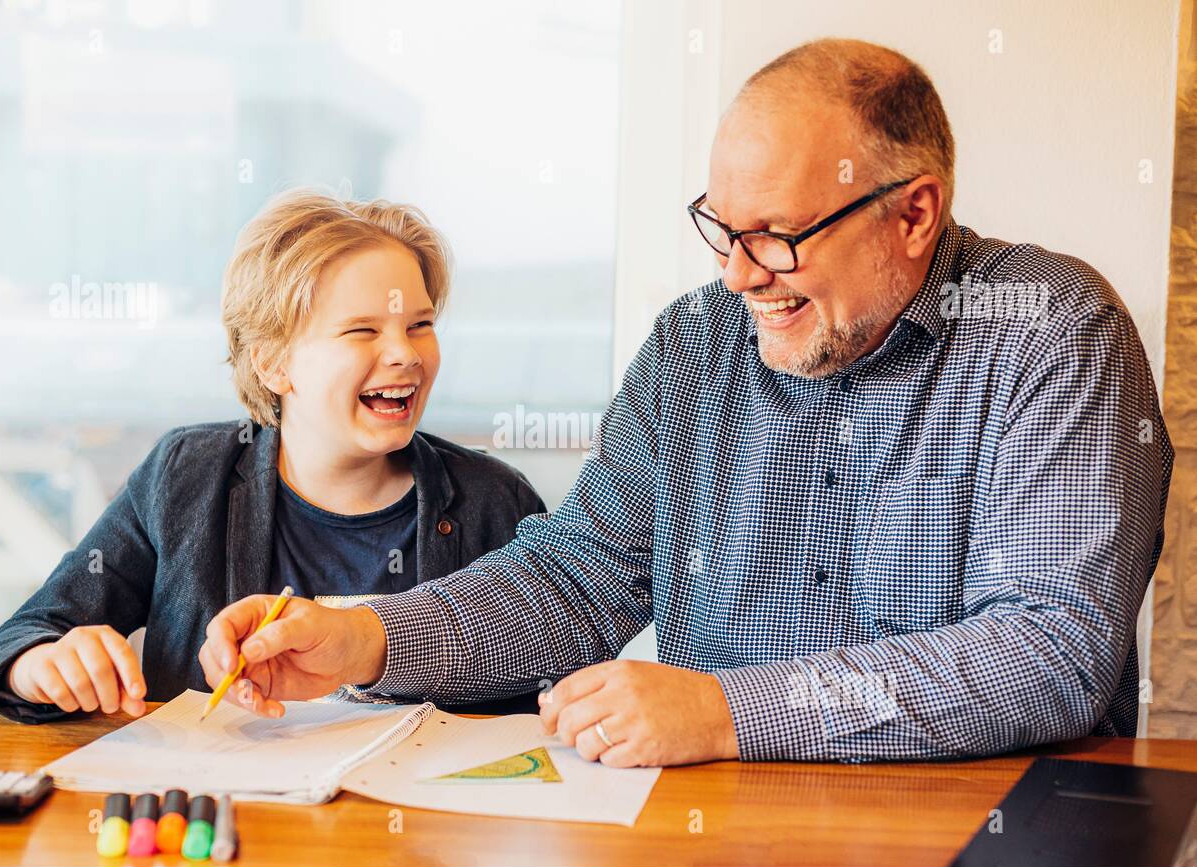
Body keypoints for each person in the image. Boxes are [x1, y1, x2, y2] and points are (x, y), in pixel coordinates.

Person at [201, 39, 1172, 766]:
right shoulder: (693, 345)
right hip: (716, 830)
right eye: (721, 228)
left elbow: (1048, 652)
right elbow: (574, 580)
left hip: (981, 836)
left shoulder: (1050, 330)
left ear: (914, 213)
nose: (740, 277)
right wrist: (364, 637)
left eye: (777, 235)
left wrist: (722, 711)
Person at [0, 188, 545, 723]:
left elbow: (556, 683)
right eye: (362, 331)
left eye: (419, 325)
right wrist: (42, 665)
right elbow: (18, 642)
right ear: (273, 363)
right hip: (222, 820)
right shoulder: (184, 476)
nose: (405, 354)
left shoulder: (496, 501)